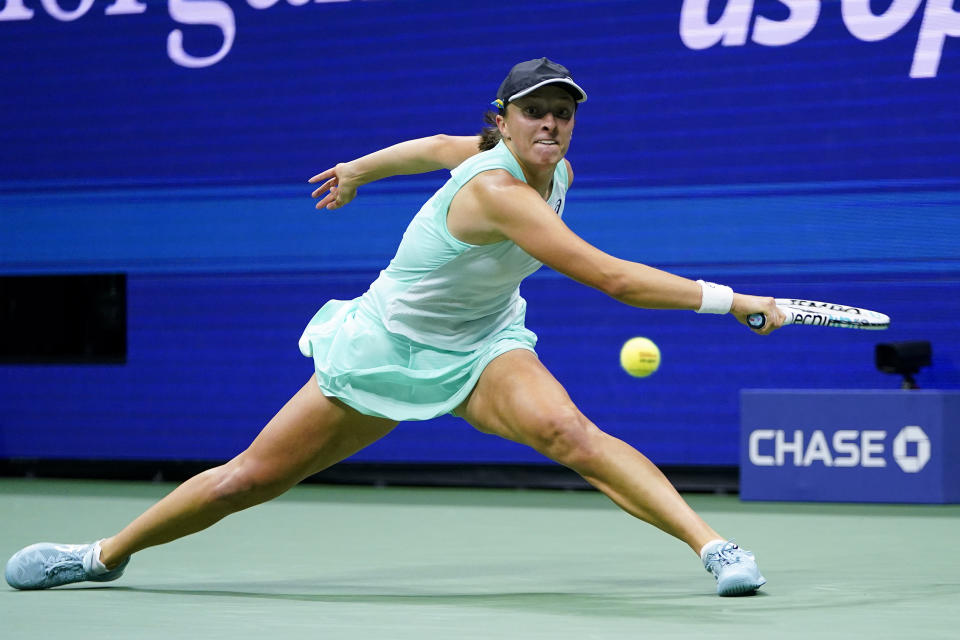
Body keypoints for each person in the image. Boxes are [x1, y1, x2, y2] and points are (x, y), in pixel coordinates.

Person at [5, 58, 783, 596]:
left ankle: (715, 548)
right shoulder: (499, 191)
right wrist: (733, 299)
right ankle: (102, 555)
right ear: (503, 122)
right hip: (387, 349)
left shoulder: (542, 165)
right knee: (251, 478)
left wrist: (361, 169)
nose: (551, 123)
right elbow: (611, 278)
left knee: (572, 434)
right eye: (535, 111)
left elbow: (431, 147)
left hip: (484, 344)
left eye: (563, 112)